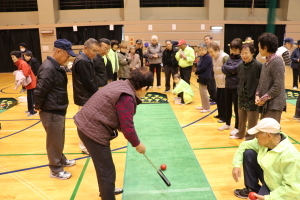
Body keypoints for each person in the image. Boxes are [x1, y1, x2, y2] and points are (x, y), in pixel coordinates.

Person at [74, 67, 153, 199]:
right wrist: (137, 144)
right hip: (92, 131)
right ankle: (107, 195)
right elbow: (127, 127)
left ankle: (107, 190)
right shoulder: (127, 97)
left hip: (87, 125)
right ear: (145, 87)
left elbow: (121, 120)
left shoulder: (121, 84)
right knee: (107, 171)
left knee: (105, 169)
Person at [33, 39, 77, 180]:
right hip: (51, 110)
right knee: (54, 141)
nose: (68, 58)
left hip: (57, 108)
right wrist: (38, 106)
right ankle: (56, 169)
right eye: (67, 55)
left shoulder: (55, 66)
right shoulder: (48, 68)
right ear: (58, 51)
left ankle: (61, 159)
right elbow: (40, 90)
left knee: (58, 139)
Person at [232, 118, 300, 199]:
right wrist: (236, 165)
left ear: (268, 135)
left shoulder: (291, 156)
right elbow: (244, 145)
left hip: (283, 193)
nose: (256, 136)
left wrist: (268, 198)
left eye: (258, 133)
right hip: (269, 182)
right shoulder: (266, 142)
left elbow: (293, 188)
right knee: (249, 153)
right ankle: (252, 189)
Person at [72, 38, 102, 154]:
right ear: (85, 48)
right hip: (84, 97)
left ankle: (88, 144)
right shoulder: (82, 61)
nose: (95, 54)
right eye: (94, 51)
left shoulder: (87, 60)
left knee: (89, 123)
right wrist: (97, 92)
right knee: (84, 123)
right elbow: (88, 81)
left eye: (97, 51)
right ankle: (84, 147)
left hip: (87, 97)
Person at [231, 43, 262, 140]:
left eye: (246, 53)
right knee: (241, 118)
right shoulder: (240, 65)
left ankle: (250, 137)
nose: (244, 55)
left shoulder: (258, 65)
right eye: (242, 53)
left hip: (252, 96)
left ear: (252, 53)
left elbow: (261, 82)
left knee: (252, 119)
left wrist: (258, 94)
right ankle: (240, 134)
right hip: (241, 95)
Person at [256, 33, 286, 123]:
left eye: (259, 47)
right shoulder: (266, 62)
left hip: (274, 105)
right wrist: (257, 94)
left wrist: (263, 99)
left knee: (271, 134)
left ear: (265, 47)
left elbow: (278, 85)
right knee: (265, 133)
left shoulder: (277, 62)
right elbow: (261, 82)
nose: (259, 49)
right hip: (267, 104)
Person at [220, 38, 243, 134]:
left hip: (236, 86)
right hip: (228, 85)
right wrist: (231, 71)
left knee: (237, 108)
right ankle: (227, 123)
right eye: (232, 49)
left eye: (236, 49)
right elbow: (223, 68)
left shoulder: (242, 59)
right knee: (227, 105)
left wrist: (229, 70)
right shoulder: (230, 57)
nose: (234, 51)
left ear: (240, 49)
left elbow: (236, 69)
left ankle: (237, 127)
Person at [10, 51, 37, 116]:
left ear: (17, 57)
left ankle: (33, 111)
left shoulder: (22, 63)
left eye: (13, 57)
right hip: (28, 82)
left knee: (31, 97)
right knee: (29, 97)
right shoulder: (20, 63)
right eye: (12, 57)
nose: (12, 59)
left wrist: (17, 73)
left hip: (31, 82)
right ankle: (29, 110)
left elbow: (26, 74)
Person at [208, 42, 229, 123]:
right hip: (218, 82)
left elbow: (228, 70)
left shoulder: (224, 57)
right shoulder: (214, 58)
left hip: (225, 83)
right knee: (219, 100)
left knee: (224, 101)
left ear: (217, 50)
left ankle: (225, 117)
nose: (210, 54)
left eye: (212, 52)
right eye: (209, 52)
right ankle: (220, 114)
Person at [195, 43, 213, 113]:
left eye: (203, 50)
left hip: (205, 76)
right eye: (200, 50)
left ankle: (207, 107)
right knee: (201, 92)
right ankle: (204, 105)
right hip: (201, 76)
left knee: (204, 92)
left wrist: (197, 72)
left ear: (206, 50)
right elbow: (199, 65)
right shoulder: (202, 57)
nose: (201, 51)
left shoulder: (207, 57)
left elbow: (204, 67)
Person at [204, 35, 217, 106]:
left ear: (211, 40)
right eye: (205, 40)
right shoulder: (206, 48)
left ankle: (215, 99)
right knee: (208, 84)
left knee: (212, 84)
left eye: (207, 39)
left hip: (213, 67)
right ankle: (212, 97)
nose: (206, 41)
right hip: (208, 68)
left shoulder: (214, 47)